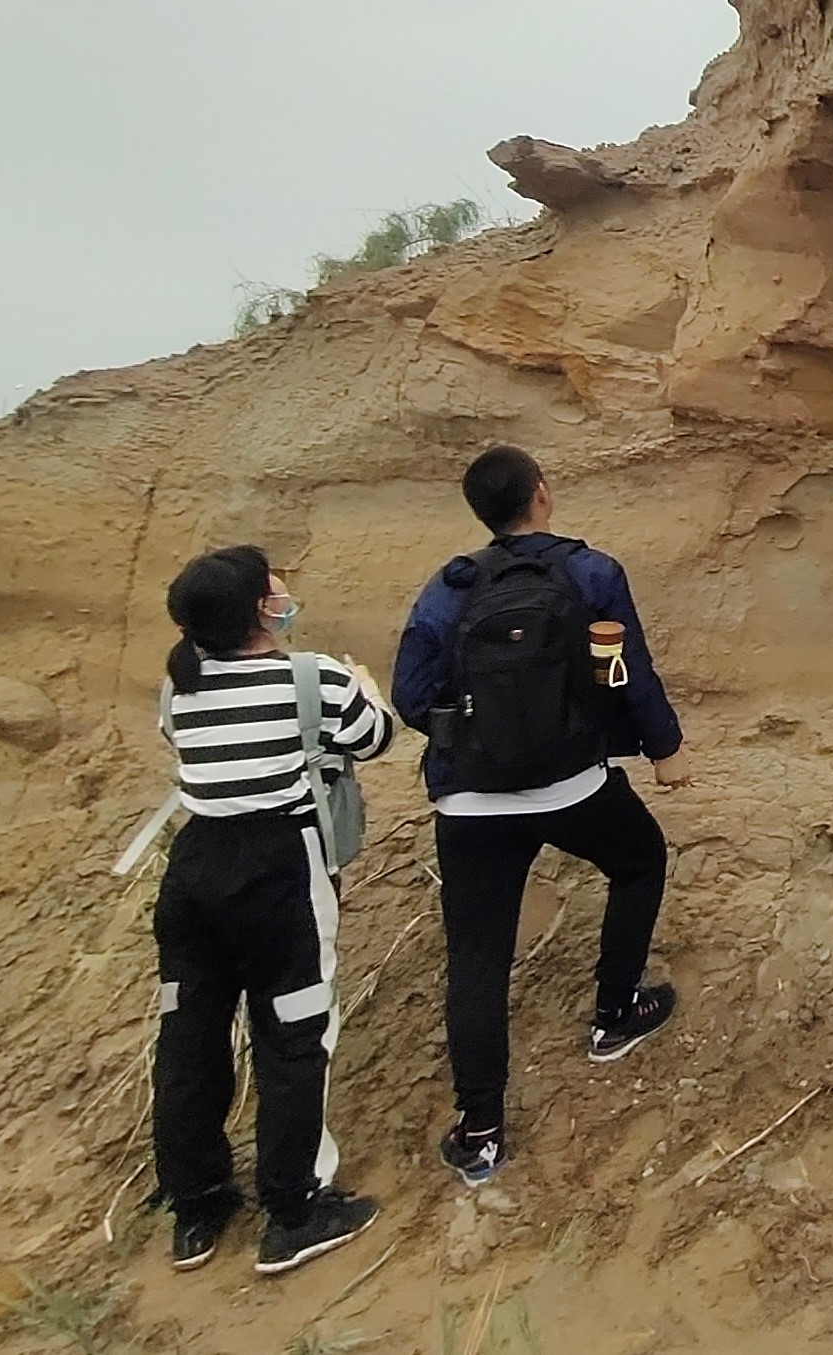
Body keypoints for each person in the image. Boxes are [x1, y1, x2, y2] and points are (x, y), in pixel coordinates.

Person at [394, 446, 688, 1185]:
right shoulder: (591, 574)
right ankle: (615, 1014)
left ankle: (481, 1133)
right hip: (571, 785)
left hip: (469, 801)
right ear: (543, 495)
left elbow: (410, 695)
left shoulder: (449, 588)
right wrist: (662, 747)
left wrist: (479, 735)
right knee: (639, 860)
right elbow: (627, 672)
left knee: (477, 957)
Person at [147, 545, 395, 1275]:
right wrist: (365, 686)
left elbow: (185, 746)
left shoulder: (178, 685)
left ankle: (197, 1204)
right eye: (272, 586)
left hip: (194, 868)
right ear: (261, 609)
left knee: (189, 1034)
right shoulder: (312, 676)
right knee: (294, 1033)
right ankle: (294, 1209)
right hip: (278, 866)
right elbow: (375, 736)